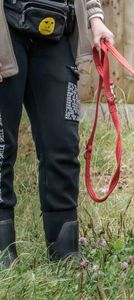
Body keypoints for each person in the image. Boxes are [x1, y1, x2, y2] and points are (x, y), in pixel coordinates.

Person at [0, 0, 114, 267]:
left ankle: (64, 251)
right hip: (6, 32)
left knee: (62, 145)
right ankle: (3, 254)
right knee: (1, 146)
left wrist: (94, 18)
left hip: (56, 30)